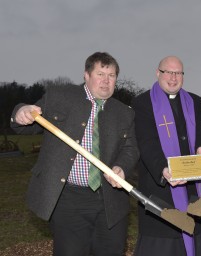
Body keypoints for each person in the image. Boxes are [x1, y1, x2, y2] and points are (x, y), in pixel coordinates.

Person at [10, 52, 139, 256]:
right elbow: (24, 125)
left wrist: (121, 167)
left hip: (110, 200)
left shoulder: (124, 112)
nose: (106, 81)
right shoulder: (60, 97)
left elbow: (131, 149)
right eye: (100, 74)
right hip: (69, 198)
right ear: (86, 75)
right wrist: (21, 111)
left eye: (112, 75)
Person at [132, 56, 201, 256]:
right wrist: (163, 170)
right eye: (168, 72)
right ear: (158, 73)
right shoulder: (142, 103)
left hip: (193, 191)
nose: (173, 77)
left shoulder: (193, 100)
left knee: (196, 239)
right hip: (162, 193)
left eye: (178, 73)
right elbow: (146, 142)